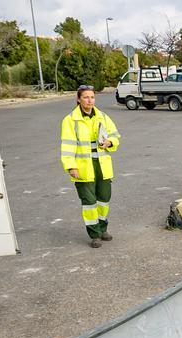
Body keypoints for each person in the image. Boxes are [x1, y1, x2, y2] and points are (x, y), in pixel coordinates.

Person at [59, 85, 121, 248]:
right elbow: (67, 146)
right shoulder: (70, 120)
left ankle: (103, 229)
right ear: (78, 99)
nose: (90, 100)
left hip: (102, 166)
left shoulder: (102, 117)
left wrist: (110, 142)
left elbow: (115, 135)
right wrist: (71, 167)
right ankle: (94, 234)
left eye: (92, 97)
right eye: (86, 97)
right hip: (83, 167)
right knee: (89, 202)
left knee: (104, 199)